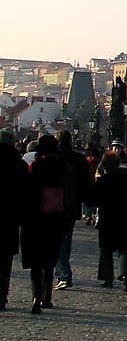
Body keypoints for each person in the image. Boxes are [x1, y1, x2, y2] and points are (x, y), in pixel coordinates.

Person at [20, 134, 69, 313]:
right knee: (50, 259)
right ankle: (47, 297)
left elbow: (27, 193)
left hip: (35, 218)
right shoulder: (63, 167)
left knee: (36, 261)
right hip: (56, 217)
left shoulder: (35, 167)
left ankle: (35, 297)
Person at [92, 151, 127, 292]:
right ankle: (126, 276)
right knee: (125, 248)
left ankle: (107, 278)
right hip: (125, 219)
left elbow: (93, 200)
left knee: (106, 250)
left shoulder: (102, 181)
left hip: (107, 219)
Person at [54, 130, 93, 290]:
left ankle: (64, 273)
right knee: (66, 238)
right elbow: (86, 183)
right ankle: (62, 270)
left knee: (57, 240)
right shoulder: (80, 159)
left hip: (55, 203)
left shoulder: (54, 158)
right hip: (73, 204)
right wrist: (88, 202)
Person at [0, 129, 28, 311]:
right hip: (10, 218)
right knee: (5, 261)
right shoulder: (20, 165)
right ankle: (1, 297)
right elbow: (25, 194)